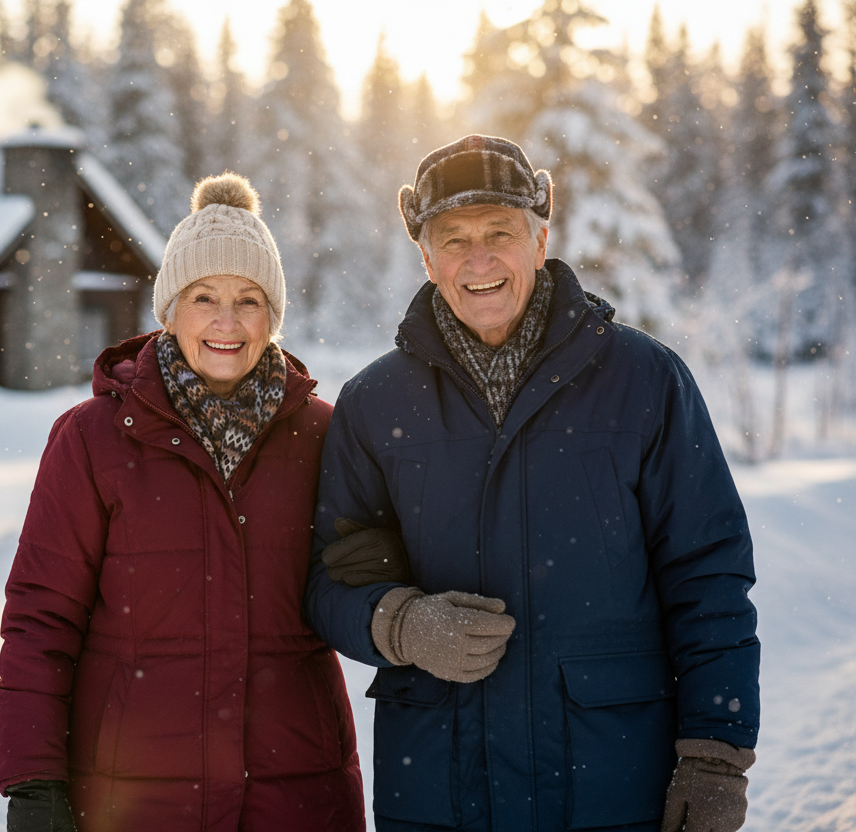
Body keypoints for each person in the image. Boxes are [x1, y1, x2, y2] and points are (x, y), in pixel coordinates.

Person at [304, 135, 759, 832]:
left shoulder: (644, 381)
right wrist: (402, 624)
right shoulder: (374, 404)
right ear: (426, 259)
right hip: (438, 789)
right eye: (453, 239)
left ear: (541, 240)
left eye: (500, 233)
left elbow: (708, 574)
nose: (478, 260)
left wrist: (715, 755)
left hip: (612, 785)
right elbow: (333, 579)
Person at [0, 173, 364, 832]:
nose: (227, 322)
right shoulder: (93, 439)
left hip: (297, 797)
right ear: (169, 310)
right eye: (205, 297)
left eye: (249, 300)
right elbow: (40, 619)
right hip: (133, 801)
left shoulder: (322, 435)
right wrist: (34, 783)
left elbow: (360, 582)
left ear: (272, 316)